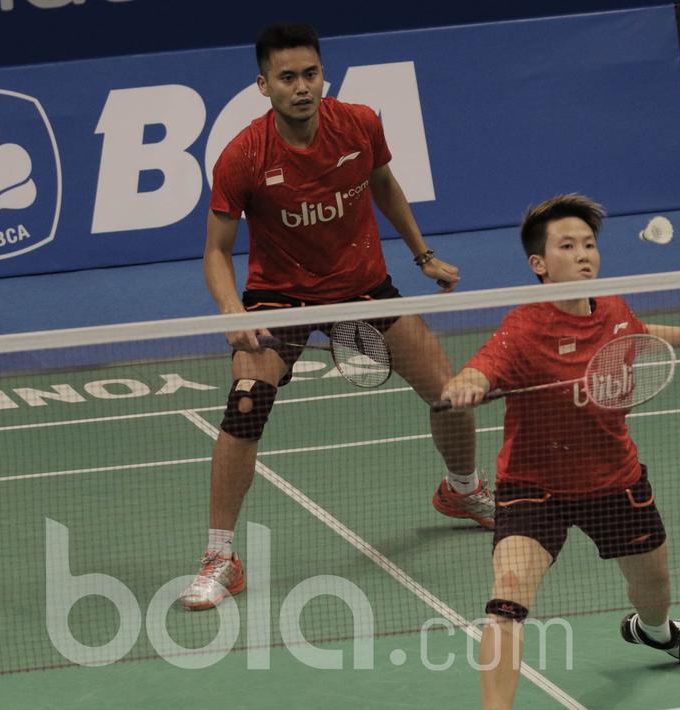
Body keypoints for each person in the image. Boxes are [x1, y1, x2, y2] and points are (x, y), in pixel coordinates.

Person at [179, 22, 493, 611]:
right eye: (287, 77)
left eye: (310, 74)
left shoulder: (360, 125)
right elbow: (217, 250)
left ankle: (462, 490)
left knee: (451, 391)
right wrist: (230, 308)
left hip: (363, 287)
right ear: (263, 85)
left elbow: (384, 184)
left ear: (324, 74)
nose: (302, 87)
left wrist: (422, 256)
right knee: (246, 401)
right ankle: (220, 555)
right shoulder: (243, 155)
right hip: (280, 297)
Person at [438, 194, 680, 709]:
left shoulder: (613, 309)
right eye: (568, 245)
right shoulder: (523, 327)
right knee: (508, 596)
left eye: (589, 244)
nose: (584, 254)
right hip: (532, 488)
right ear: (539, 265)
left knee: (654, 593)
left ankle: (652, 631)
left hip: (613, 482)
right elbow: (481, 368)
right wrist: (466, 385)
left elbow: (639, 336)